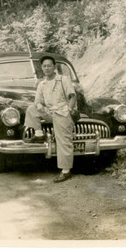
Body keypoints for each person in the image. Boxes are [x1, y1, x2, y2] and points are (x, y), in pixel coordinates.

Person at [23, 55, 77, 183]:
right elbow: (37, 102)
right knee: (31, 109)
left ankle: (65, 171)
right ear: (41, 68)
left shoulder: (63, 79)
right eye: (44, 66)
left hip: (63, 112)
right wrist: (41, 107)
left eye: (49, 66)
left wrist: (69, 110)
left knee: (63, 140)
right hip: (49, 113)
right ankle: (39, 134)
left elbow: (72, 96)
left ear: (54, 67)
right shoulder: (42, 84)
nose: (47, 68)